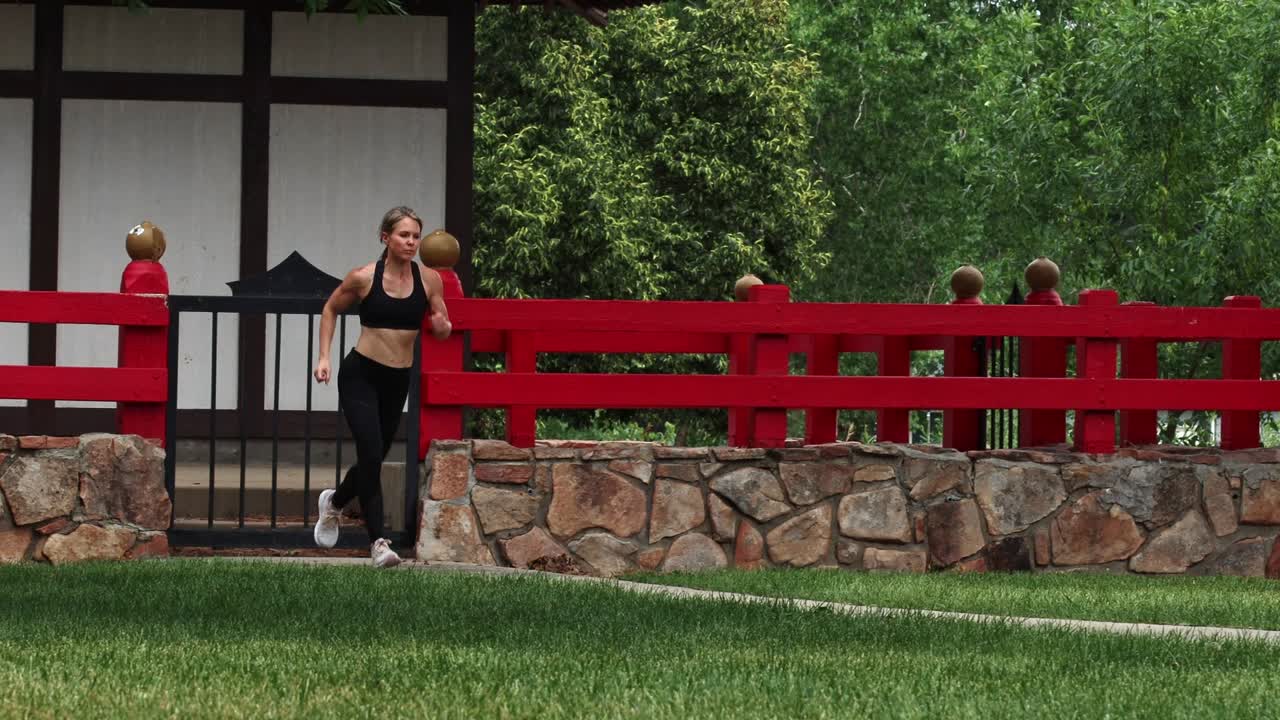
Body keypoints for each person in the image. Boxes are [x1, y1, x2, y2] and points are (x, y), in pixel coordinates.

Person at [311, 206, 452, 567]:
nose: (411, 242)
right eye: (404, 235)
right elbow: (330, 309)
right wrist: (324, 357)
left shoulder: (430, 279)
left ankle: (335, 502)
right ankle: (379, 543)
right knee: (371, 452)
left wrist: (440, 324)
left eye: (416, 236)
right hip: (361, 374)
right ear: (385, 238)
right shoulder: (363, 277)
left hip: (396, 380)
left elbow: (442, 326)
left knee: (374, 456)